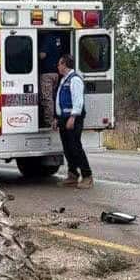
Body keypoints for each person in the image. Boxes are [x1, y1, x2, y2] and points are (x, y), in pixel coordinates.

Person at [55, 54, 91, 188]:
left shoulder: (74, 80)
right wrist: (57, 117)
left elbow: (78, 100)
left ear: (65, 65)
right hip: (64, 118)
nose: (58, 66)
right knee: (67, 148)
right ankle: (73, 175)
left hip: (73, 118)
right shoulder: (64, 79)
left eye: (59, 64)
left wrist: (73, 117)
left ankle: (87, 176)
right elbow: (60, 100)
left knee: (76, 147)